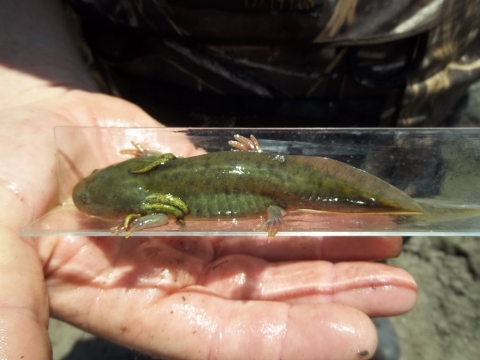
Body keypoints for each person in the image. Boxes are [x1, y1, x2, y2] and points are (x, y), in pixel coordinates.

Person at [0, 1, 421, 359]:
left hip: (389, 66)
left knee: (360, 224)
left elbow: (155, 203)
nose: (88, 199)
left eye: (92, 193)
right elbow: (160, 164)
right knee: (321, 217)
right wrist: (32, 94)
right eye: (92, 190)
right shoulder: (153, 174)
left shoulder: (149, 194)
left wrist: (129, 225)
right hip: (137, 49)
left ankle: (380, 244)